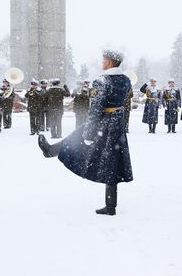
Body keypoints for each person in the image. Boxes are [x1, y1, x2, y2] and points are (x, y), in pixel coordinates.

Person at [38, 49, 133, 216]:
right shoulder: (125, 80)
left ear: (110, 62)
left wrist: (89, 134)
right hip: (117, 123)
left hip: (103, 122)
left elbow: (96, 108)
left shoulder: (102, 81)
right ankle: (111, 205)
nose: (102, 62)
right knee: (113, 162)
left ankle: (50, 151)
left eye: (104, 60)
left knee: (77, 139)